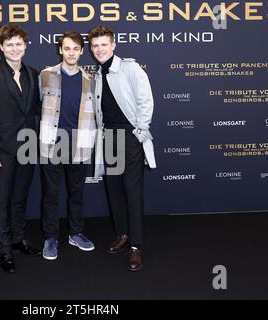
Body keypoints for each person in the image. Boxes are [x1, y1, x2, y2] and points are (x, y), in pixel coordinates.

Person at [89, 25, 156, 271]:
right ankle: (122, 234)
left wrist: (139, 131)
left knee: (132, 190)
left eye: (104, 44)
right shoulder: (97, 73)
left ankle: (136, 246)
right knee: (114, 189)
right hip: (108, 136)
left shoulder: (130, 67)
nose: (99, 49)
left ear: (113, 45)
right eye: (95, 45)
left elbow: (145, 100)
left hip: (129, 136)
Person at [0, 24, 41, 273]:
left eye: (19, 44)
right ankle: (5, 250)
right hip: (2, 150)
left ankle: (17, 238)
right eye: (9, 44)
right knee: (2, 201)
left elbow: (35, 109)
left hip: (28, 147)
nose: (15, 49)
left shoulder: (33, 74)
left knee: (20, 197)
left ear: (25, 46)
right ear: (1, 47)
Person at [39, 31, 96, 260]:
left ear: (82, 51)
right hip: (52, 142)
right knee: (51, 194)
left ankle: (76, 233)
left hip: (80, 142)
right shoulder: (45, 76)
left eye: (76, 49)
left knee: (77, 193)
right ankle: (50, 238)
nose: (71, 53)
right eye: (67, 48)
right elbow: (35, 107)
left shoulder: (91, 80)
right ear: (60, 50)